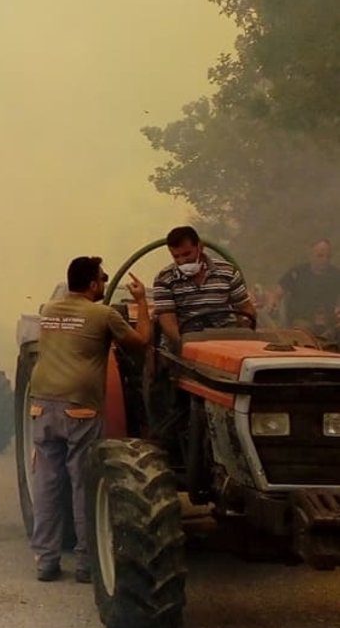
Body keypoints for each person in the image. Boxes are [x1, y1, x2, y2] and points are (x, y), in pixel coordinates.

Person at [28, 256, 151, 583]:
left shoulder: (49, 311)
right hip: (79, 409)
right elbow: (141, 343)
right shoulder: (103, 314)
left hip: (41, 406)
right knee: (84, 484)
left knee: (47, 484)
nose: (105, 283)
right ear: (94, 284)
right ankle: (85, 563)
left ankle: (46, 560)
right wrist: (141, 302)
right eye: (103, 279)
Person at [152, 226, 256, 346]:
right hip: (186, 339)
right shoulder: (164, 279)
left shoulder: (227, 271)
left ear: (200, 247)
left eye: (187, 254)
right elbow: (168, 321)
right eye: (176, 256)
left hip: (225, 338)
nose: (182, 260)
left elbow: (245, 308)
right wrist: (183, 346)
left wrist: (244, 332)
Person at [266, 239, 340, 338]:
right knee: (303, 327)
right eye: (320, 256)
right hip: (301, 324)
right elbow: (278, 292)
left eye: (328, 257)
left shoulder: (336, 275)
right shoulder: (297, 273)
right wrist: (273, 302)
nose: (324, 260)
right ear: (311, 255)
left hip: (329, 325)